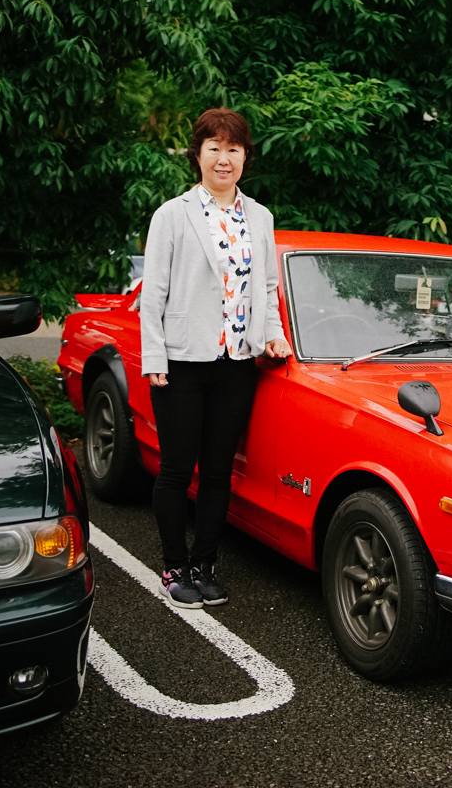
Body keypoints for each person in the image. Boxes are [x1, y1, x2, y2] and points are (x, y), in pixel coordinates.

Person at [140, 107, 292, 609]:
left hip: (236, 362)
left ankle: (205, 563)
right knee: (177, 470)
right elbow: (154, 293)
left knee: (220, 471)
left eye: (233, 149)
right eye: (214, 148)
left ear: (245, 156)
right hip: (181, 362)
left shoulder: (261, 217)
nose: (223, 158)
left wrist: (271, 335)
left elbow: (266, 288)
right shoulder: (172, 214)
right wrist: (154, 357)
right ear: (198, 155)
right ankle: (173, 565)